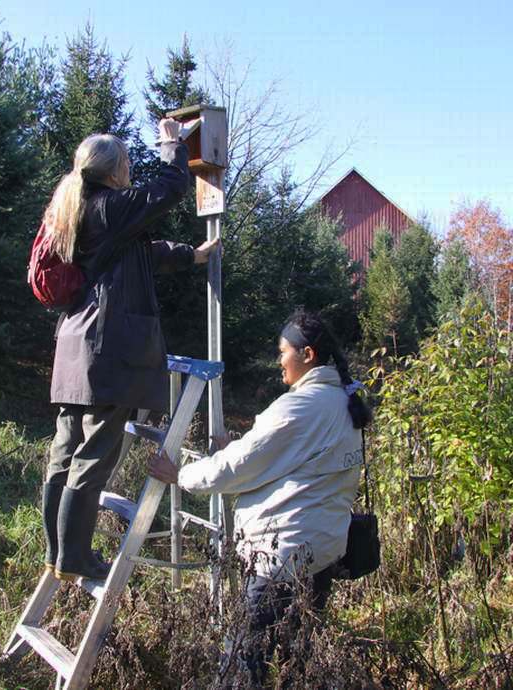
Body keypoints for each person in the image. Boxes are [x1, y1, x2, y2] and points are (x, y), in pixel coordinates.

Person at [147, 309, 371, 679]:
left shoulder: (300, 406)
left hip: (280, 560)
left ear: (307, 355)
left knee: (243, 668)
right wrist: (239, 444)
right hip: (322, 555)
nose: (278, 361)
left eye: (283, 351)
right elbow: (300, 465)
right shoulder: (343, 404)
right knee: (297, 664)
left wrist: (180, 475)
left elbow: (238, 466)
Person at [43, 119, 219, 583]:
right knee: (94, 455)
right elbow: (169, 187)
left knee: (66, 450)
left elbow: (144, 252)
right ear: (115, 169)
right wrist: (172, 145)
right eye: (125, 163)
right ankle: (74, 558)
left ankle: (56, 551)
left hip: (76, 347)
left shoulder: (81, 210)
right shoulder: (109, 206)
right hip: (108, 349)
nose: (129, 171)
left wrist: (191, 255)